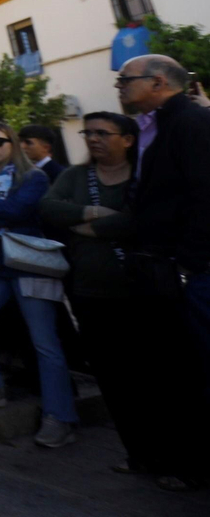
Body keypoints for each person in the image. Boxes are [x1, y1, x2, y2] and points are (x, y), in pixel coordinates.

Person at [116, 53, 210, 489]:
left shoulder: (191, 123)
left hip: (190, 272)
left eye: (125, 80)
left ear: (157, 82)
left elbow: (205, 196)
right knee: (178, 369)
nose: (120, 87)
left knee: (198, 368)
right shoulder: (153, 126)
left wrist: (189, 263)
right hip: (166, 267)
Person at [0, 121, 76, 448]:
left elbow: (19, 209)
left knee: (44, 341)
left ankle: (60, 416)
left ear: (13, 143)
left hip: (28, 263)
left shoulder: (34, 177)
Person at [40, 113, 149, 474]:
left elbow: (139, 220)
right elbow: (49, 208)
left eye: (103, 133)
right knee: (112, 377)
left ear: (128, 139)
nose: (93, 139)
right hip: (90, 293)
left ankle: (171, 453)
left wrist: (87, 227)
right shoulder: (75, 176)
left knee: (151, 374)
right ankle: (137, 451)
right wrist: (95, 211)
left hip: (142, 293)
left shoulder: (142, 175)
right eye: (88, 133)